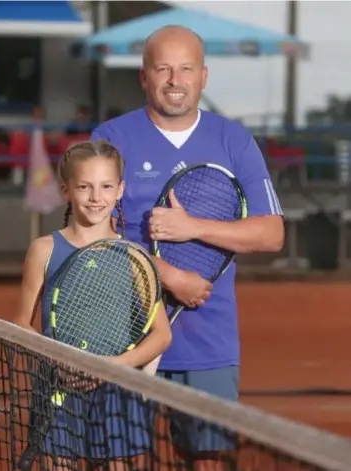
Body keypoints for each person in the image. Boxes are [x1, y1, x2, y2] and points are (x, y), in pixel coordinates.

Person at [90, 25, 284, 470]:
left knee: (210, 461)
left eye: (186, 69)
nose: (175, 80)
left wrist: (192, 226)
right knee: (120, 461)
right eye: (163, 69)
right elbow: (93, 236)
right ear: (144, 77)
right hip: (123, 335)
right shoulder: (109, 136)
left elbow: (271, 233)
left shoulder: (235, 141)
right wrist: (169, 276)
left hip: (208, 341)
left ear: (204, 77)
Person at [13, 140, 172, 470]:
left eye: (106, 186)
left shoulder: (135, 257)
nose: (96, 197)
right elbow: (21, 323)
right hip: (57, 386)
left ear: (120, 190)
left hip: (116, 390)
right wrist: (58, 361)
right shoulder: (43, 249)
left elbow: (161, 335)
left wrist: (117, 366)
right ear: (66, 190)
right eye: (84, 187)